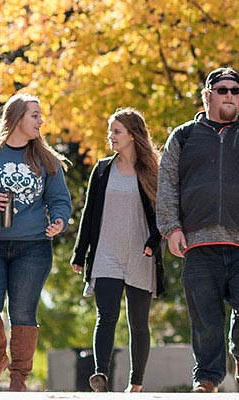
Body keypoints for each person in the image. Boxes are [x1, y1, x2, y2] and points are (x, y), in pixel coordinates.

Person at [156, 67, 239, 393]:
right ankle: (207, 378)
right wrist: (171, 228)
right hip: (198, 242)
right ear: (207, 95)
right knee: (205, 319)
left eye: (235, 91)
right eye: (222, 90)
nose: (230, 95)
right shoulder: (183, 136)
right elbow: (167, 184)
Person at [0, 93, 72, 391]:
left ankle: (19, 377)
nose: (41, 121)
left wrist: (59, 221)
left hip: (33, 246)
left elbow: (60, 200)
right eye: (35, 115)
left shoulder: (46, 159)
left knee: (22, 312)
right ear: (17, 117)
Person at [71, 108, 166, 393]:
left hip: (140, 255)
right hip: (106, 253)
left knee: (138, 322)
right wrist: (80, 253)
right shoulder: (102, 170)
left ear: (133, 135)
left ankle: (136, 383)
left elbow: (164, 215)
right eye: (110, 131)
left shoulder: (152, 172)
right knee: (106, 316)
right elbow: (89, 214)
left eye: (117, 131)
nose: (110, 136)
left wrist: (153, 242)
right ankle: (100, 375)